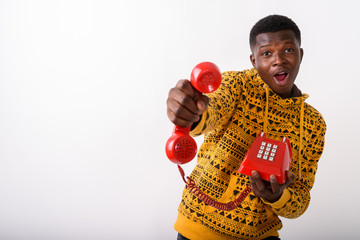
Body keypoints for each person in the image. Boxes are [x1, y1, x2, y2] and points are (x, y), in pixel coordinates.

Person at [166, 15, 326, 240]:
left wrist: (276, 197)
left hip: (262, 235)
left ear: (300, 54)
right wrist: (192, 114)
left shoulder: (313, 124)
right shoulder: (235, 84)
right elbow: (213, 109)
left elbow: (299, 203)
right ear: (254, 60)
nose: (278, 60)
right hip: (198, 230)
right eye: (266, 53)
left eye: (288, 50)